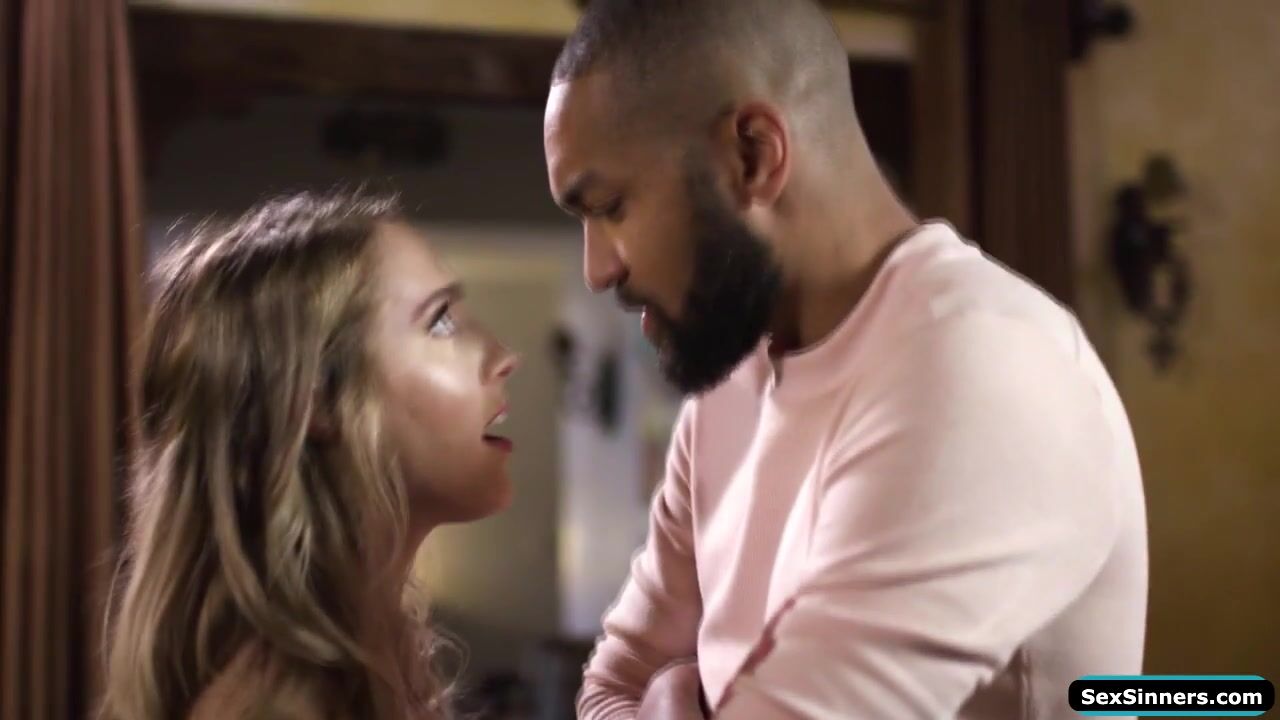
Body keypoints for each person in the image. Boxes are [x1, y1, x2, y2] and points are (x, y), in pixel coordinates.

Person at [542, 1, 1147, 718]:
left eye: (610, 206)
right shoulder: (726, 391)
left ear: (752, 157)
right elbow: (609, 691)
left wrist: (675, 696)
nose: (597, 271)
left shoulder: (985, 368)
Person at [100, 192, 518, 719]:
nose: (504, 356)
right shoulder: (276, 705)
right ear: (315, 397)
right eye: (440, 322)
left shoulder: (375, 661)